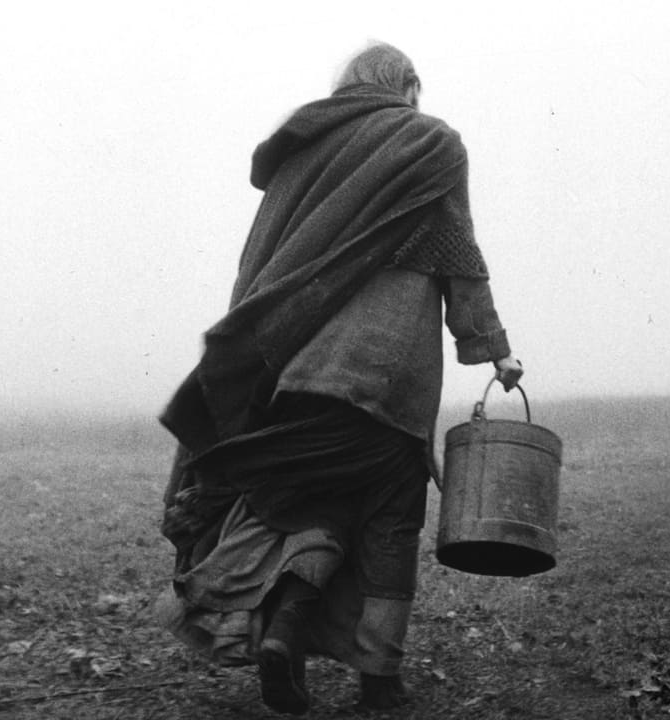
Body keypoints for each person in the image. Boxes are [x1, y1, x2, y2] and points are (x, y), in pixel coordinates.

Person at [156, 42, 523, 715]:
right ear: (408, 86)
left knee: (313, 507)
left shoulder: (306, 153)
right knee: (388, 516)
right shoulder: (432, 145)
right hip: (393, 382)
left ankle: (285, 636)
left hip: (301, 373)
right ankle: (379, 679)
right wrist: (493, 348)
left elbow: (262, 263)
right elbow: (461, 259)